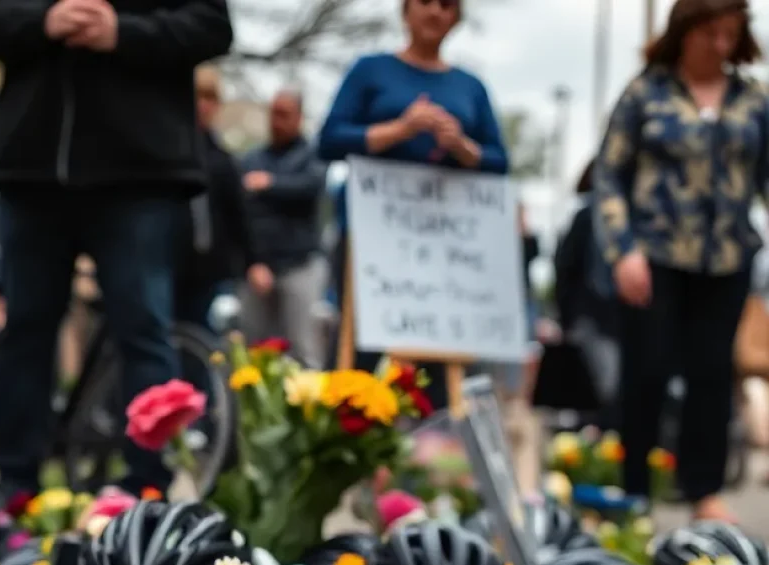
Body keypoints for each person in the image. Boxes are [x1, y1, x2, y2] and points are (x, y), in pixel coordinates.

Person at [0, 0, 233, 500]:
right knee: (24, 330)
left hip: (140, 175)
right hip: (33, 170)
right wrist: (44, 21)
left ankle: (146, 490)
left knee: (144, 332)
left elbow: (211, 26)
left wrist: (122, 33)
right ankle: (15, 488)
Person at [593, 0, 767, 521]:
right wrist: (622, 251)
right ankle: (635, 489)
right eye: (710, 33)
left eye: (730, 34)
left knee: (712, 374)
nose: (720, 45)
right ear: (685, 31)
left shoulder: (753, 99)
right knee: (646, 372)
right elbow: (609, 175)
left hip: (726, 258)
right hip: (654, 258)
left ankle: (703, 491)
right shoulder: (646, 92)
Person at [318, 0, 508, 406]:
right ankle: (346, 451)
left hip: (444, 250)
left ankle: (431, 458)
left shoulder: (470, 87)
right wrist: (401, 129)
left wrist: (460, 145)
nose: (435, 13)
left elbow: (499, 162)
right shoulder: (370, 70)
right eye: (425, 2)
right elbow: (329, 140)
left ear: (456, 18)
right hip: (373, 239)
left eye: (447, 5)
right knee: (358, 353)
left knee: (434, 368)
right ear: (405, 11)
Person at [239, 90, 327, 366]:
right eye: (274, 113)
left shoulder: (313, 157)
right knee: (253, 352)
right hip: (257, 268)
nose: (277, 121)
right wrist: (252, 262)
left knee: (303, 349)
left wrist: (270, 184)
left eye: (285, 115)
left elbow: (311, 187)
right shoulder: (252, 159)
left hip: (299, 266)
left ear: (299, 118)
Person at [178, 66, 269, 329]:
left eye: (210, 99)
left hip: (209, 271)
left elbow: (239, 214)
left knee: (205, 339)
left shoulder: (222, 159)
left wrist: (254, 261)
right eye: (198, 97)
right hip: (166, 267)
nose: (203, 106)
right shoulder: (170, 155)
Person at [549, 160, 620, 430]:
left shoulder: (585, 215)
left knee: (592, 399)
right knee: (605, 396)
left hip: (589, 319)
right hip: (598, 320)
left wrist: (567, 318)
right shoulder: (591, 217)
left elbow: (564, 269)